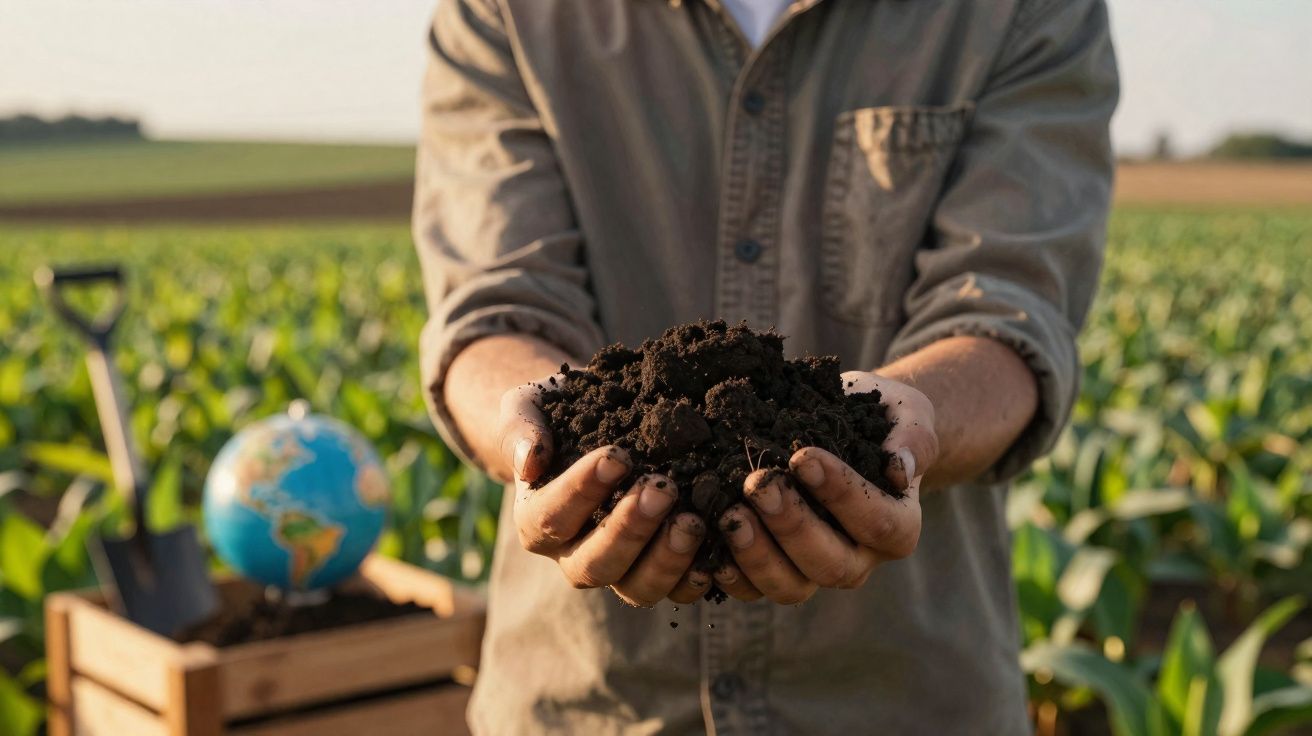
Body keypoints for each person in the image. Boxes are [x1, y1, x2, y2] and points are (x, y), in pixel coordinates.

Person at [413, 0, 1118, 732]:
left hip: (900, 698)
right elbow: (495, 310)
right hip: (593, 702)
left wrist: (905, 424)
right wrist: (537, 434)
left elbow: (1010, 313)